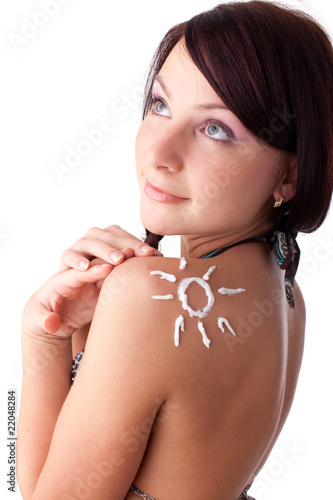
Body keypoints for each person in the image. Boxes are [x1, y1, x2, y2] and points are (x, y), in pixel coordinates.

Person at [17, 1, 333, 498]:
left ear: (290, 175)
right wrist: (81, 338)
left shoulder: (151, 297)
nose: (158, 154)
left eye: (215, 129)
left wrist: (43, 339)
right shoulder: (287, 295)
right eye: (161, 105)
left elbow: (35, 492)